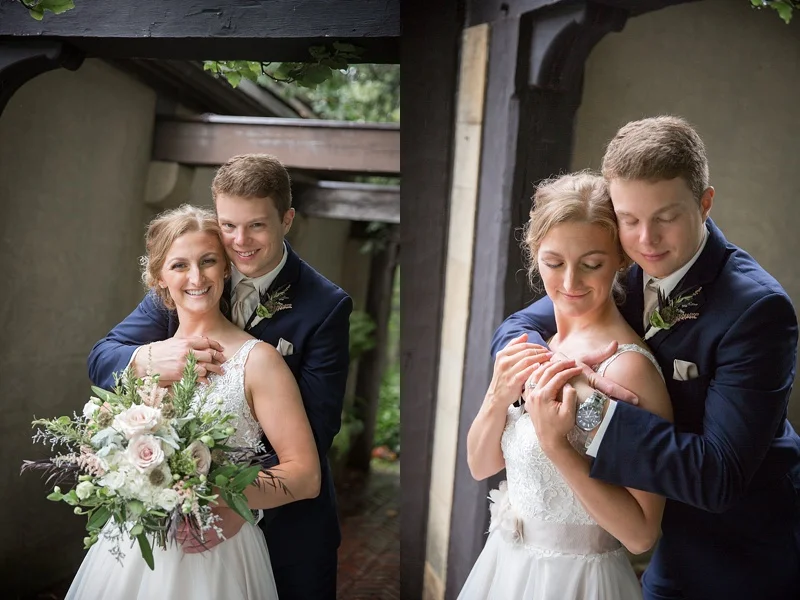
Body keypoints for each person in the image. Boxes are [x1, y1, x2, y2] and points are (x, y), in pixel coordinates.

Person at [493, 116, 800, 600]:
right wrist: (559, 375)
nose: (645, 240)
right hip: (658, 555)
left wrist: (592, 410)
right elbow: (519, 326)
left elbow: (717, 476)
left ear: (705, 202)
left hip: (739, 558)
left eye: (666, 217)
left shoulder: (757, 311)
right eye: (629, 220)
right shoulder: (619, 267)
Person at [87, 155, 352, 600]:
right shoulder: (192, 270)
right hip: (160, 527)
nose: (240, 241)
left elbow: (316, 430)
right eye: (228, 225)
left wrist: (225, 500)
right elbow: (104, 358)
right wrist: (152, 358)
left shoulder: (324, 307)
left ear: (286, 220)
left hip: (283, 524)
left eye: (256, 226)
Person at [459, 172, 673, 599]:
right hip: (505, 569)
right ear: (534, 253)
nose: (571, 282)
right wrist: (498, 395)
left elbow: (641, 534)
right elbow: (481, 466)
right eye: (554, 263)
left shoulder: (626, 371)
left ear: (620, 261)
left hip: (579, 583)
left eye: (592, 264)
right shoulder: (542, 346)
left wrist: (557, 445)